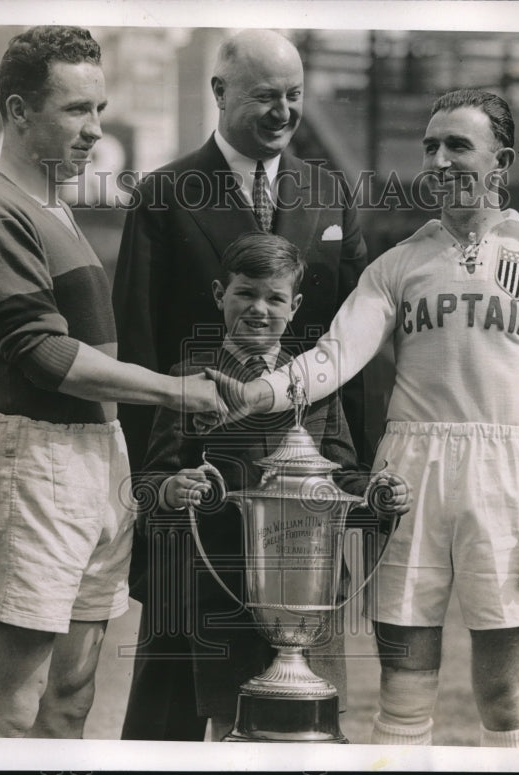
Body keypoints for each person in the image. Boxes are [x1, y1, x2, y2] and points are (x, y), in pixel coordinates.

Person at [201, 89, 519, 748]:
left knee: (501, 695)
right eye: (430, 147)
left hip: (506, 477)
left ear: (502, 160)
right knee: (404, 694)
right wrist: (257, 393)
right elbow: (332, 357)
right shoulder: (400, 263)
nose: (438, 160)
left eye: (457, 146)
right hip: (407, 478)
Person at [0, 26, 222, 738]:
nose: (94, 129)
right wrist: (176, 389)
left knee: (72, 693)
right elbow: (45, 356)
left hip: (96, 458)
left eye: (99, 109)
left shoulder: (55, 208)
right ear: (18, 111)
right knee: (11, 700)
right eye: (74, 110)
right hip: (28, 460)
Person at [113, 29, 371, 741]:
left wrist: (360, 484)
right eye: (266, 96)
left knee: (298, 701)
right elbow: (139, 350)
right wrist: (153, 498)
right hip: (194, 488)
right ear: (220, 92)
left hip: (301, 495)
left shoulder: (328, 191)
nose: (284, 111)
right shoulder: (164, 194)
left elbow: (351, 350)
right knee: (169, 704)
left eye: (294, 95)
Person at [136, 231, 408, 740]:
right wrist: (174, 488)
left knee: (311, 727)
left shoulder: (314, 384)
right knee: (232, 725)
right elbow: (149, 484)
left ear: (295, 304)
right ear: (220, 294)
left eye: (275, 298)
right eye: (245, 294)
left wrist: (377, 494)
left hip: (311, 586)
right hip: (225, 590)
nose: (259, 309)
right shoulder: (190, 378)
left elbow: (342, 473)